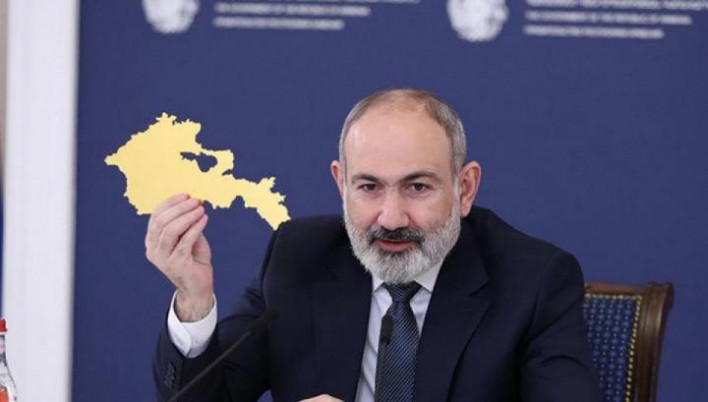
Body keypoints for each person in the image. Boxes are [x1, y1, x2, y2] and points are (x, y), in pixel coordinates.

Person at [149, 89, 602, 401]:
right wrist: (193, 301)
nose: (391, 218)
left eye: (418, 187)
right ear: (341, 184)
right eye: (369, 187)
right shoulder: (296, 256)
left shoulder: (533, 280)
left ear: (464, 188)